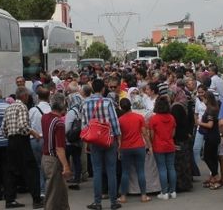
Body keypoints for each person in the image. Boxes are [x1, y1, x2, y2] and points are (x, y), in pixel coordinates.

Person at [81, 78, 122, 210]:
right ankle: (113, 202)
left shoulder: (85, 103)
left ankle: (97, 202)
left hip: (94, 140)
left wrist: (86, 141)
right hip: (109, 139)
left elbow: (84, 124)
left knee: (97, 171)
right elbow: (114, 121)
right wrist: (118, 139)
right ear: (103, 89)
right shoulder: (107, 101)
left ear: (92, 88)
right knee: (111, 170)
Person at [1, 86, 44, 209]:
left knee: (11, 171)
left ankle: (10, 200)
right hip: (21, 141)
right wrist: (34, 133)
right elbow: (23, 126)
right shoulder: (22, 107)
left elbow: (3, 128)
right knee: (31, 170)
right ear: (24, 96)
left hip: (11, 141)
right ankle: (36, 200)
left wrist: (10, 135)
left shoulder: (9, 107)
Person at [41, 93, 73, 210]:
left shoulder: (45, 117)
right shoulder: (59, 123)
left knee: (61, 191)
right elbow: (59, 148)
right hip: (53, 159)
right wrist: (66, 166)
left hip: (45, 157)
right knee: (53, 195)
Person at [117, 98, 151, 204]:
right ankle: (144, 195)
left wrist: (119, 150)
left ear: (121, 107)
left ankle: (123, 196)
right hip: (139, 146)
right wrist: (149, 146)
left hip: (126, 147)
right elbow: (144, 133)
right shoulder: (139, 117)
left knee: (125, 172)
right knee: (140, 171)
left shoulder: (120, 120)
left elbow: (119, 137)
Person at [149, 96, 177, 200]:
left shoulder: (154, 118)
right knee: (171, 168)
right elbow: (173, 133)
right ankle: (173, 191)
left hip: (158, 146)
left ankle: (164, 192)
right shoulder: (171, 117)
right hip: (170, 144)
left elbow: (152, 135)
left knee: (162, 169)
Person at [29, 86, 51, 198]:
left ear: (37, 97)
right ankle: (48, 189)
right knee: (48, 166)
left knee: (39, 166)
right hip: (47, 140)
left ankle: (41, 190)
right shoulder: (51, 109)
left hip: (34, 140)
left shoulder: (32, 110)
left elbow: (27, 126)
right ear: (49, 97)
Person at [198, 91, 222, 190]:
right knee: (213, 157)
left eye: (203, 98)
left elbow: (210, 125)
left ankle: (216, 176)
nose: (202, 101)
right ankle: (213, 177)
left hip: (211, 136)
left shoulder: (210, 110)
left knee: (207, 157)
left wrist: (199, 123)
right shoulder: (214, 108)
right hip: (214, 135)